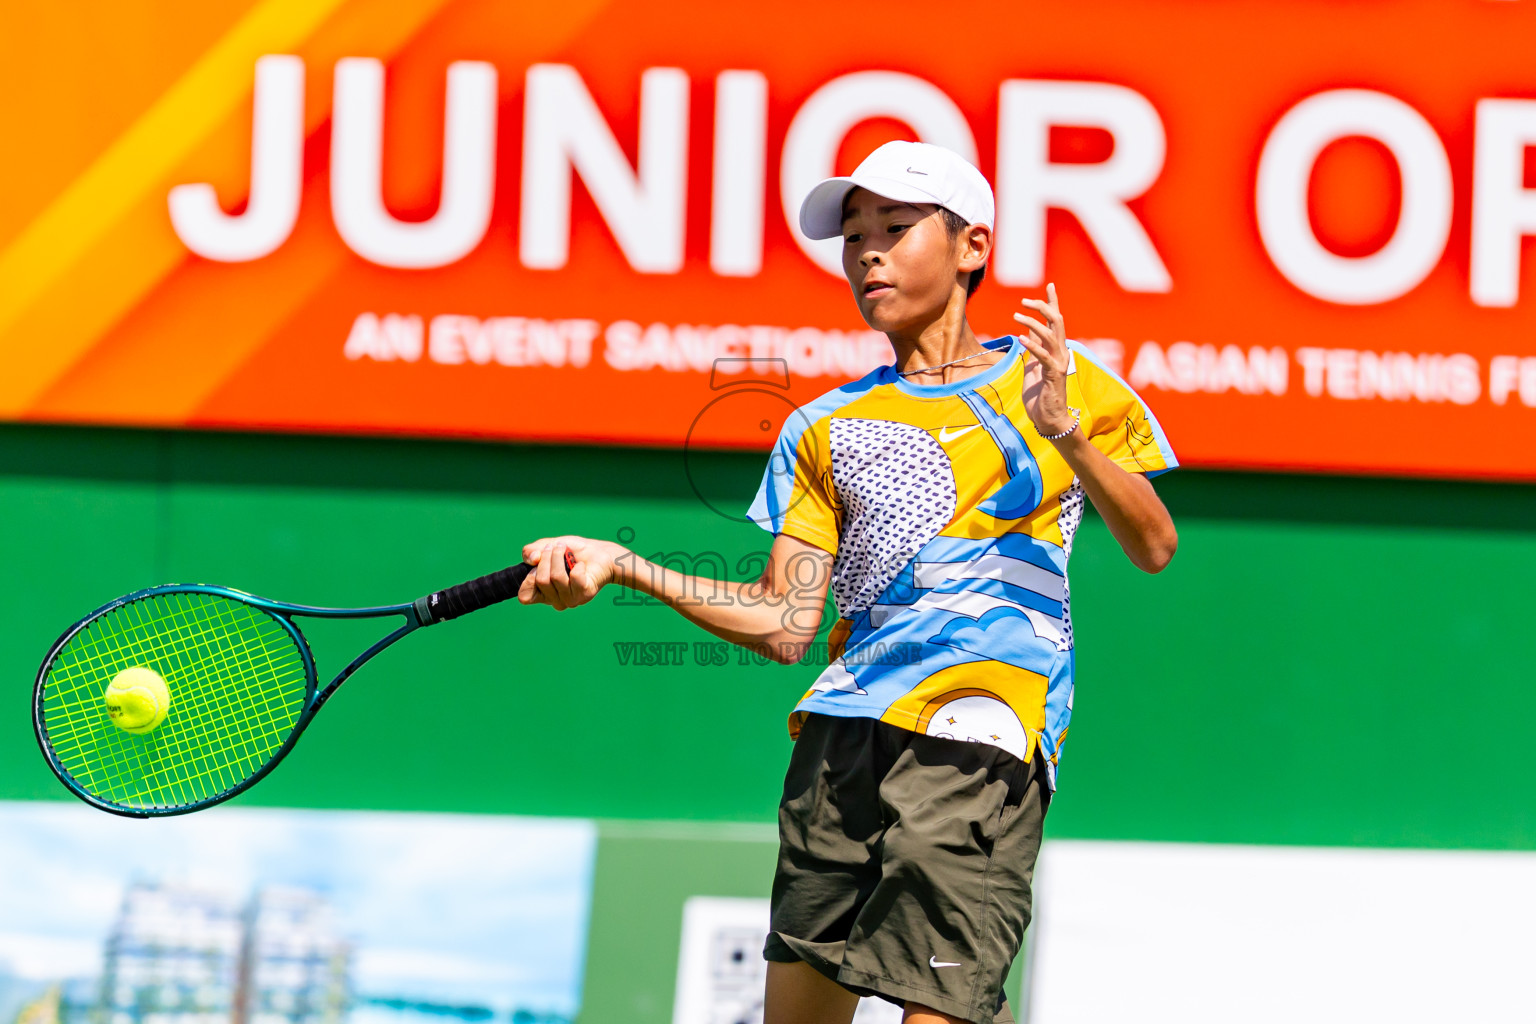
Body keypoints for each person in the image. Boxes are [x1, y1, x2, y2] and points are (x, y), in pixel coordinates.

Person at [515, 140, 1179, 1024]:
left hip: (978, 734)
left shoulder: (1059, 386)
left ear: (971, 247)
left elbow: (1154, 544)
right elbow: (785, 620)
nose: (868, 252)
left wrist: (1067, 434)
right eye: (854, 236)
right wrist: (623, 563)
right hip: (840, 737)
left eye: (896, 228)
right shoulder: (824, 426)